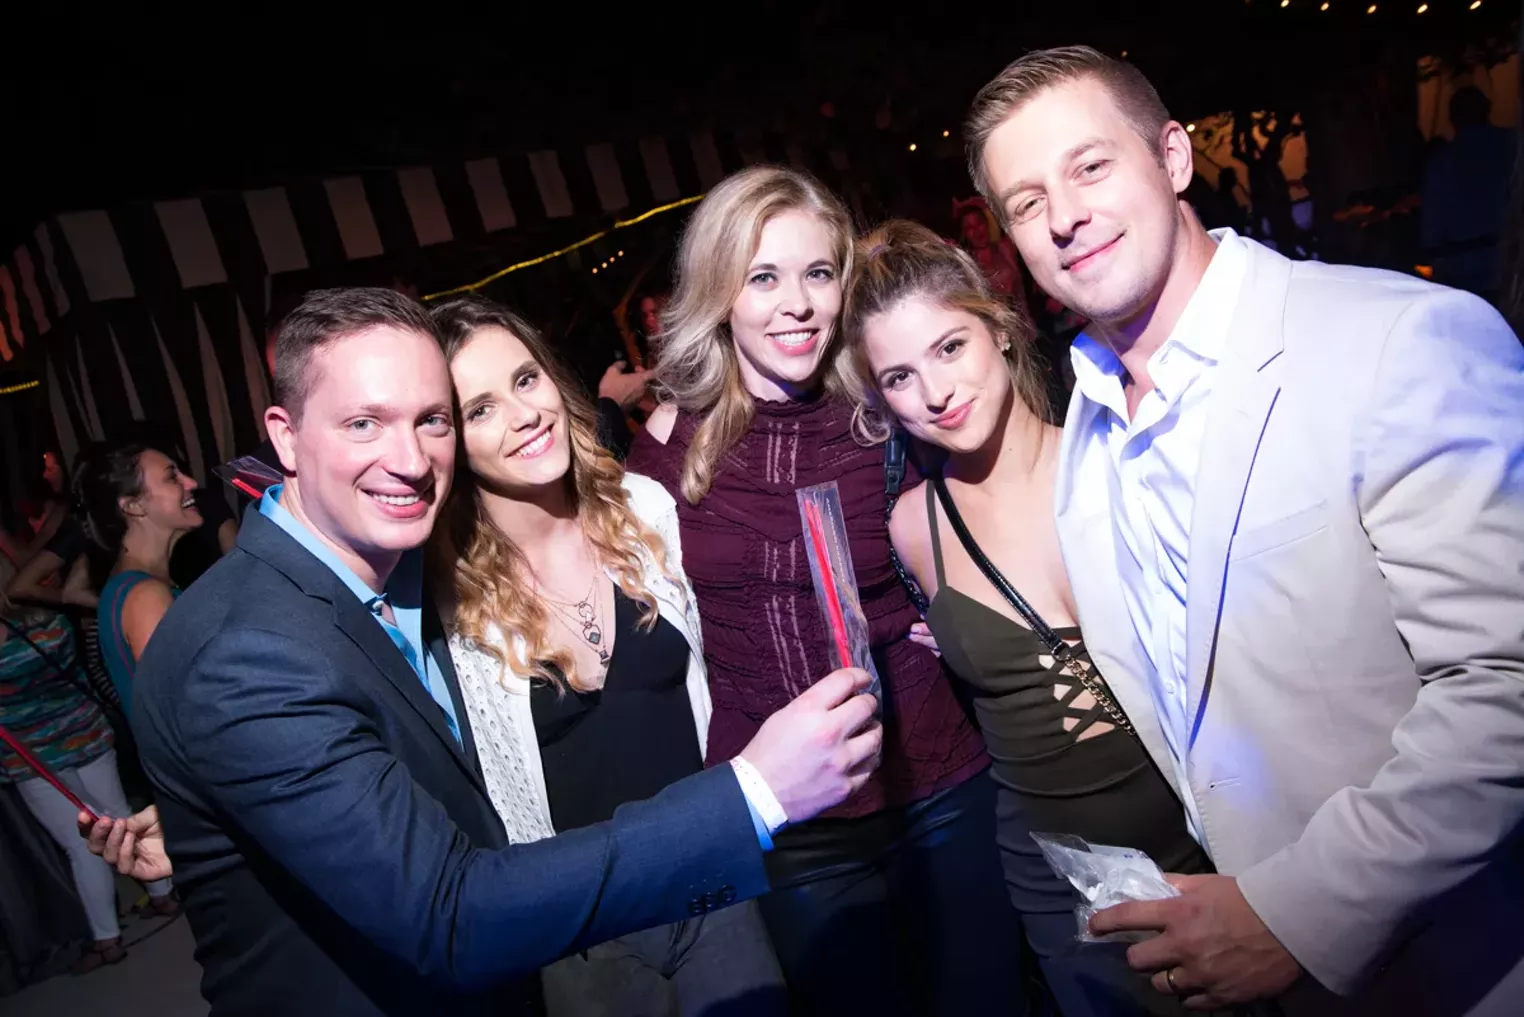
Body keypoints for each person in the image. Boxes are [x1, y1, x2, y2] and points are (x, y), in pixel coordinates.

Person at [118, 287, 882, 1017]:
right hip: (529, 942)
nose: (409, 457)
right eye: (365, 423)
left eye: (430, 420)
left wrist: (260, 806)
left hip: (696, 894)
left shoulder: (384, 575)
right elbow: (448, 910)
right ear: (284, 436)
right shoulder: (262, 641)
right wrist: (752, 794)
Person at [965, 45, 1524, 1014]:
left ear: (1174, 158)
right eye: (1026, 201)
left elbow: (1507, 681)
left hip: (1459, 962)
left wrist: (1298, 913)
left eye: (1090, 166)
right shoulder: (1085, 427)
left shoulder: (1393, 341)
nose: (1063, 216)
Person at [627, 167, 1025, 1017]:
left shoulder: (886, 408)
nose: (798, 304)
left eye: (818, 273)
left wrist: (958, 613)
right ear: (720, 294)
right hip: (789, 819)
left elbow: (984, 518)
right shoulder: (669, 445)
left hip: (940, 781)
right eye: (763, 278)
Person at [841, 219, 1213, 1016]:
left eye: (950, 347)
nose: (936, 392)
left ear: (1001, 330)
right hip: (1063, 884)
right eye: (900, 376)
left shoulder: (1121, 453)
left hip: (1209, 840)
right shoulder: (915, 527)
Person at [431, 295, 785, 1016]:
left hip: (715, 886)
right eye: (481, 409)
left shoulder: (644, 509)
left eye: (526, 380)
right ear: (450, 442)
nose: (525, 414)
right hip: (582, 932)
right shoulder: (447, 596)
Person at [0, 599, 175, 972]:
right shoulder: (49, 621)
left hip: (35, 754)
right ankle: (162, 895)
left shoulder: (38, 624)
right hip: (81, 732)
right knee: (118, 817)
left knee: (81, 842)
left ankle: (107, 939)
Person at [72, 441, 205, 712]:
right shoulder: (146, 595)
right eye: (172, 477)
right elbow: (185, 710)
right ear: (134, 506)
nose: (191, 483)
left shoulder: (137, 583)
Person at [1420, 85, 1516, 304]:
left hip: (1464, 273)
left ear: (1452, 120)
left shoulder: (1441, 164)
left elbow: (1432, 232)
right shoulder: (1512, 147)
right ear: (1487, 111)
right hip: (1510, 266)